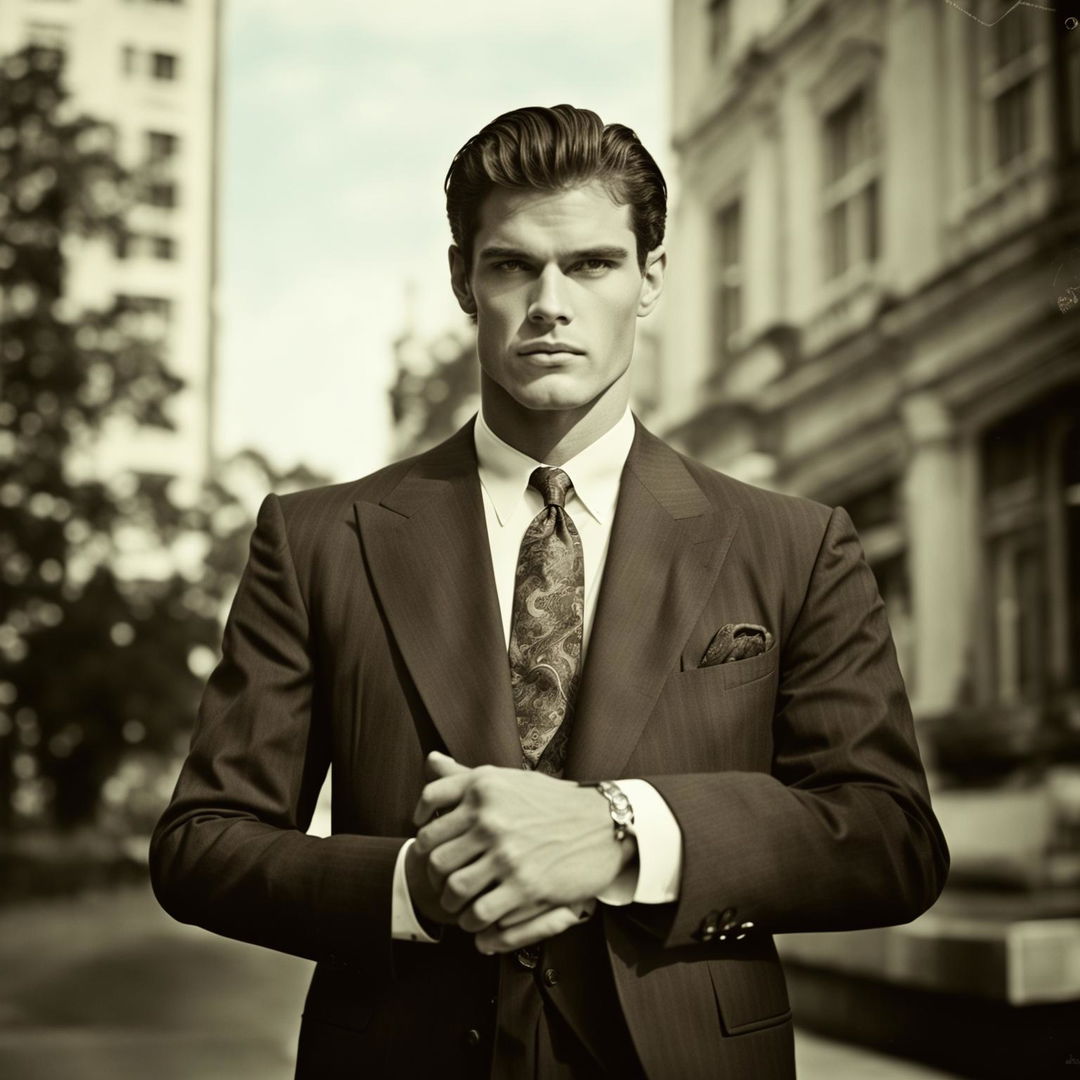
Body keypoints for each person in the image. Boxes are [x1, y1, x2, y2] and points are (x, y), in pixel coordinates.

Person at [149, 104, 950, 1079]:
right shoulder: (321, 539)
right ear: (463, 280)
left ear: (651, 278)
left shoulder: (795, 543)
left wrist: (622, 834)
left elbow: (891, 838)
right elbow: (201, 844)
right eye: (513, 265)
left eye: (593, 265)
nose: (550, 303)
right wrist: (414, 883)